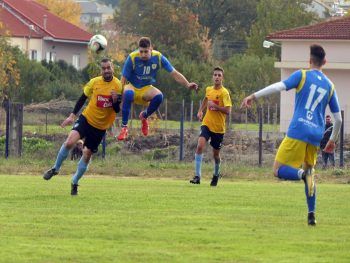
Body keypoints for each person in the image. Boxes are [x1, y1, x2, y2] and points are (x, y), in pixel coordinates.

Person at [241, 44, 342, 226]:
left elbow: (278, 86)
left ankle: (302, 174)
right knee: (311, 173)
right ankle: (311, 215)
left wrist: (253, 96)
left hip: (298, 130)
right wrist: (332, 140)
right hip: (316, 135)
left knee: (278, 170)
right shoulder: (330, 86)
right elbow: (339, 119)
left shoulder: (302, 75)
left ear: (309, 60)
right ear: (324, 62)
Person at [43, 58, 122, 195]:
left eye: (108, 67)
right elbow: (82, 98)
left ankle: (74, 182)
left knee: (86, 154)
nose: (106, 70)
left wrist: (115, 101)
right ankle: (55, 169)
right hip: (86, 119)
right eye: (103, 68)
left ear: (113, 68)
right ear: (101, 70)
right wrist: (72, 115)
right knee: (69, 142)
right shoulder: (94, 82)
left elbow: (116, 110)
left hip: (100, 128)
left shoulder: (119, 85)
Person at [117, 37, 198, 140]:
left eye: (146, 52)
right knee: (128, 93)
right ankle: (124, 128)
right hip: (131, 86)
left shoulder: (159, 58)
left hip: (145, 89)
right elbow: (123, 80)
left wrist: (187, 84)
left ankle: (144, 116)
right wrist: (119, 97)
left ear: (151, 48)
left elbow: (174, 73)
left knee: (159, 96)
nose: (143, 54)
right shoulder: (132, 57)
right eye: (141, 51)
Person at [190, 67, 232, 186]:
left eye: (219, 75)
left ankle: (216, 174)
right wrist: (200, 111)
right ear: (212, 77)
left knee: (216, 155)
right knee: (200, 146)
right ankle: (197, 176)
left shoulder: (224, 93)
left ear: (222, 78)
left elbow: (228, 111)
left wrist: (216, 106)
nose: (217, 77)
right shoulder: (209, 89)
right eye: (215, 75)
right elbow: (206, 99)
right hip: (207, 124)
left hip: (218, 129)